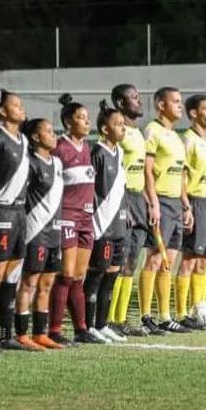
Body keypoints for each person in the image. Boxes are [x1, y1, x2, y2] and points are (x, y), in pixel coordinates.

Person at [50, 94, 105, 344]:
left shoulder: (87, 148)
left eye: (87, 118)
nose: (87, 122)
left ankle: (81, 329)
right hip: (68, 217)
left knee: (79, 276)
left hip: (86, 218)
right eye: (81, 118)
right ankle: (54, 330)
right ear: (68, 122)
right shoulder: (59, 148)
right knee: (67, 274)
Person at [0, 89, 32, 350]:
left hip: (19, 213)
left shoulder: (23, 140)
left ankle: (6, 333)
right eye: (15, 105)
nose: (22, 109)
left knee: (12, 273)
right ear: (2, 111)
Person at [139, 87, 192, 333]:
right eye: (176, 101)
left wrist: (186, 205)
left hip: (175, 204)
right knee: (154, 258)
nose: (180, 106)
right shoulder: (153, 130)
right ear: (161, 105)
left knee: (169, 261)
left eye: (181, 102)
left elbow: (181, 174)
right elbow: (147, 169)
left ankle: (164, 316)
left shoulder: (176, 136)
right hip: (160, 199)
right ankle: (145, 316)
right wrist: (153, 202)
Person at [15, 118, 65, 349]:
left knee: (47, 284)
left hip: (54, 231)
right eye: (48, 131)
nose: (53, 134)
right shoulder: (29, 163)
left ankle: (40, 332)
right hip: (35, 231)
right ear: (35, 137)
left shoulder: (57, 162)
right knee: (29, 283)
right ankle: (21, 333)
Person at [106, 84, 150, 336]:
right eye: (133, 98)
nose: (139, 101)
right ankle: (109, 318)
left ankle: (121, 319)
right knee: (118, 261)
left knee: (132, 261)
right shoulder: (118, 133)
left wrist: (148, 201)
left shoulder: (138, 132)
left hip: (138, 198)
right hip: (123, 198)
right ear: (121, 104)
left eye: (138, 96)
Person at [84, 100, 129, 343]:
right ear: (104, 129)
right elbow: (92, 190)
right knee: (96, 275)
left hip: (119, 224)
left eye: (124, 124)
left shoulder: (120, 152)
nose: (123, 128)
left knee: (112, 274)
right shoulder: (97, 153)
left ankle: (103, 324)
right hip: (101, 225)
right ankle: (88, 325)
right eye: (118, 124)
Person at [173, 95, 206, 329]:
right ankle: (182, 313)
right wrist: (186, 205)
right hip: (195, 201)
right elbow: (181, 175)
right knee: (189, 259)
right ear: (193, 113)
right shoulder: (188, 140)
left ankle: (198, 308)